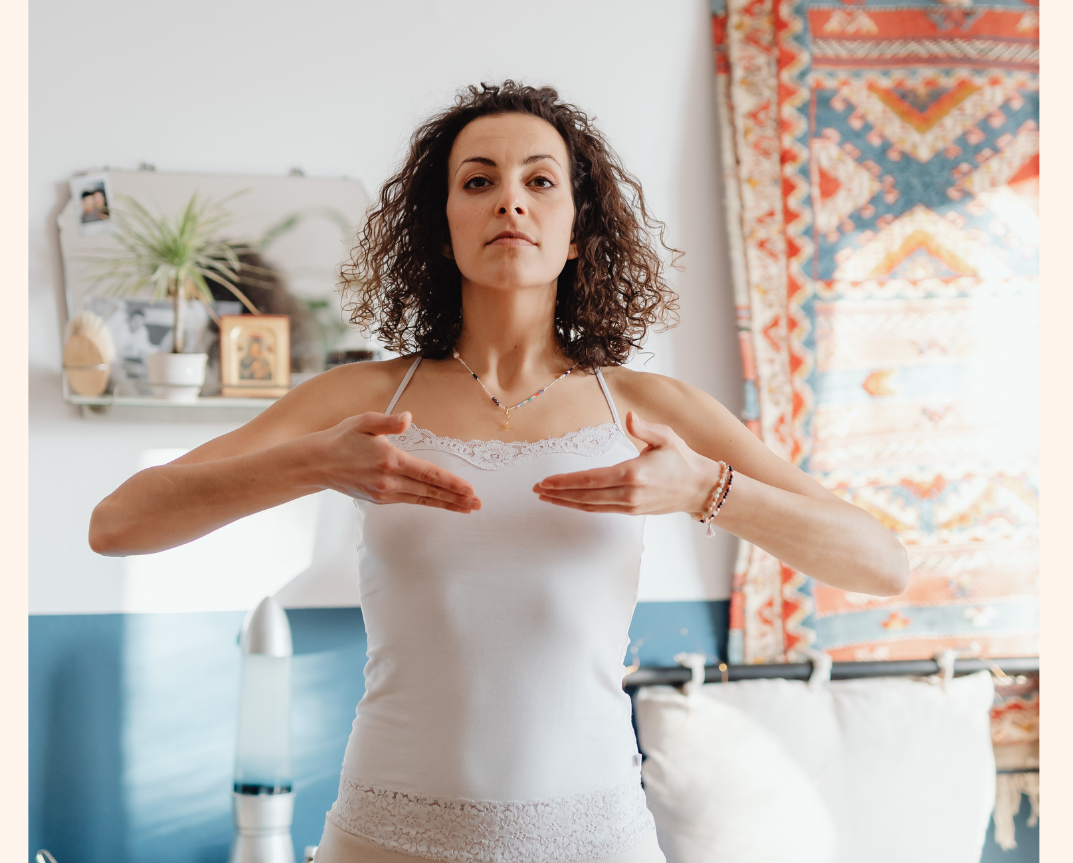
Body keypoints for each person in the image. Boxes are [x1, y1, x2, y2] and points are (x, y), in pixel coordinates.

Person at [89, 82, 908, 863]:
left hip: (596, 839)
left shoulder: (649, 404)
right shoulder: (365, 396)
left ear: (578, 227)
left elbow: (878, 562)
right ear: (442, 228)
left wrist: (703, 489)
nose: (508, 200)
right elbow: (118, 524)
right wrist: (313, 462)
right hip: (385, 837)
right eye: (477, 181)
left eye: (538, 180)